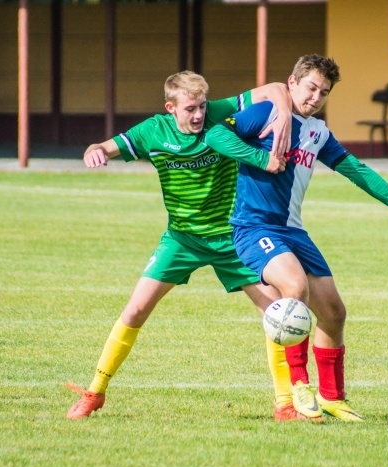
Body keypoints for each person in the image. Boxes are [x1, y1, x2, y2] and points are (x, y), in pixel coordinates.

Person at [65, 71, 320, 422]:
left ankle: (284, 404)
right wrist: (95, 151)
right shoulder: (152, 131)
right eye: (190, 109)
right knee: (136, 310)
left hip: (232, 236)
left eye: (202, 106)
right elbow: (104, 147)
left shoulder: (219, 113)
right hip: (182, 238)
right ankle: (94, 392)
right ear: (170, 108)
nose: (199, 115)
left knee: (275, 312)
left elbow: (276, 88)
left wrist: (283, 117)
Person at [205, 54, 388, 423]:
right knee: (294, 287)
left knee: (334, 312)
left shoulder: (318, 132)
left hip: (293, 230)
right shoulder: (265, 114)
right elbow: (216, 134)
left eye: (323, 93)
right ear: (291, 82)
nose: (315, 97)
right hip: (253, 227)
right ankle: (298, 386)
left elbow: (355, 169)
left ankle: (332, 398)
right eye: (311, 87)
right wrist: (260, 159)